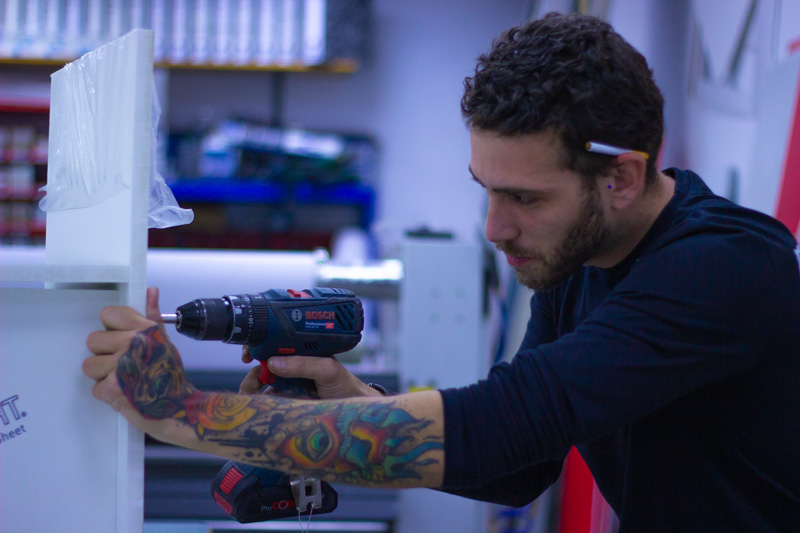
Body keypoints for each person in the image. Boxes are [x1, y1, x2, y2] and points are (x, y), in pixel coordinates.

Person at [83, 12, 800, 530]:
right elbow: (522, 467)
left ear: (621, 178)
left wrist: (183, 411)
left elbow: (505, 425)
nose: (494, 228)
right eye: (486, 190)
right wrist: (351, 399)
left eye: (525, 198)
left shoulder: (725, 267)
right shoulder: (578, 260)